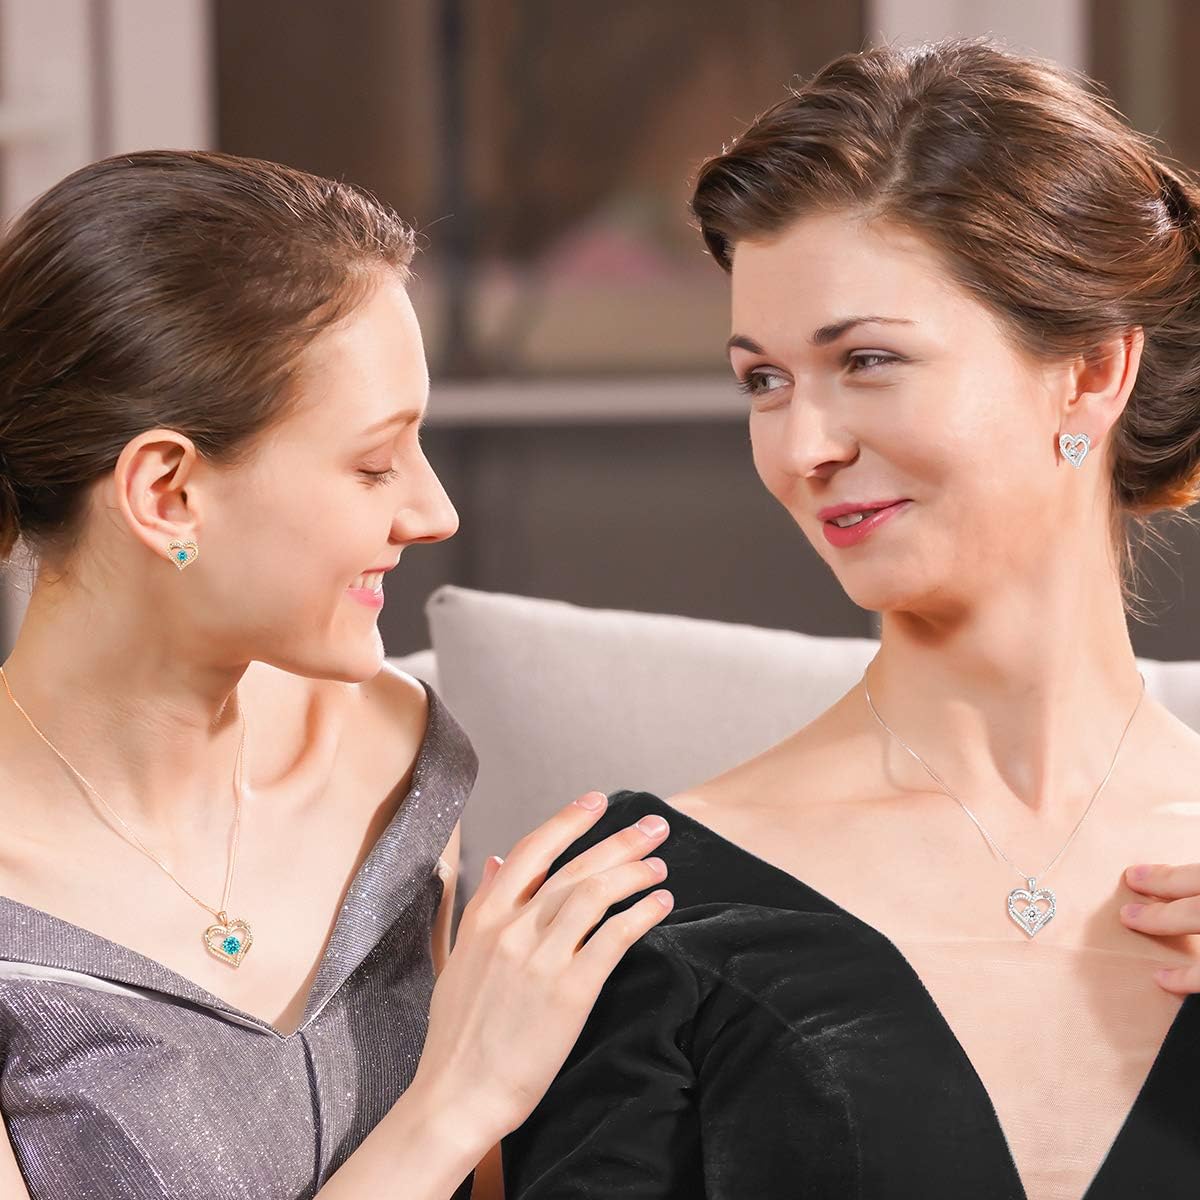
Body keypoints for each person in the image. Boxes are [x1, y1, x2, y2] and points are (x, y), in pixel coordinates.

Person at [502, 37, 1200, 1200]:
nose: (803, 448)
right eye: (763, 381)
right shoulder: (648, 901)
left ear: (1089, 372)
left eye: (868, 360)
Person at [0, 150, 677, 1200]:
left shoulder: (391, 753)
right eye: (373, 464)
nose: (433, 512)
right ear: (168, 494)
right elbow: (452, 1125)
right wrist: (460, 1096)